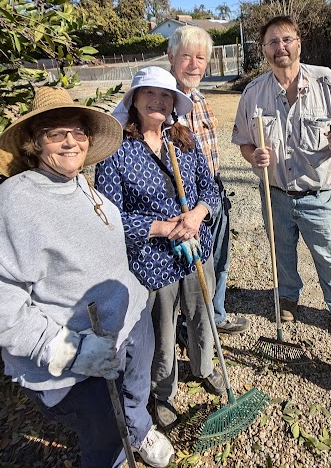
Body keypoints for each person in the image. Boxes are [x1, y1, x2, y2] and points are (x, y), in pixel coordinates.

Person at [0, 86, 174, 468]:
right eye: (56, 134)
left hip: (127, 328)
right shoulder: (15, 204)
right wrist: (73, 352)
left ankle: (141, 430)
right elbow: (1, 310)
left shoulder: (81, 183)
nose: (71, 142)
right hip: (80, 359)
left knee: (135, 394)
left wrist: (137, 300)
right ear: (35, 142)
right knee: (104, 440)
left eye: (79, 132)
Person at [95, 66, 222, 432]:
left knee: (202, 315)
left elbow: (209, 190)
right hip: (153, 261)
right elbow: (111, 219)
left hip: (196, 249)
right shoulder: (116, 151)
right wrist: (163, 228)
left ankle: (205, 367)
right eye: (149, 93)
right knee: (162, 330)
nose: (158, 100)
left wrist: (197, 215)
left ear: (173, 103)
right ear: (133, 100)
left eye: (166, 95)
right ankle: (163, 391)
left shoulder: (184, 140)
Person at [232, 15, 331, 345]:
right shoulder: (253, 93)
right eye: (273, 42)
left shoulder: (327, 83)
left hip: (320, 193)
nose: (281, 47)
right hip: (275, 192)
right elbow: (245, 142)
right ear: (263, 50)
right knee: (281, 253)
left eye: (286, 40)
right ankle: (288, 297)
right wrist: (253, 157)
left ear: (299, 44)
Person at [167, 25, 249, 335]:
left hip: (213, 193)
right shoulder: (161, 102)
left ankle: (214, 317)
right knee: (188, 268)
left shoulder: (200, 99)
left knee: (218, 259)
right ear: (171, 56)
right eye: (186, 56)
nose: (193, 64)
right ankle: (188, 329)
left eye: (200, 58)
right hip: (183, 204)